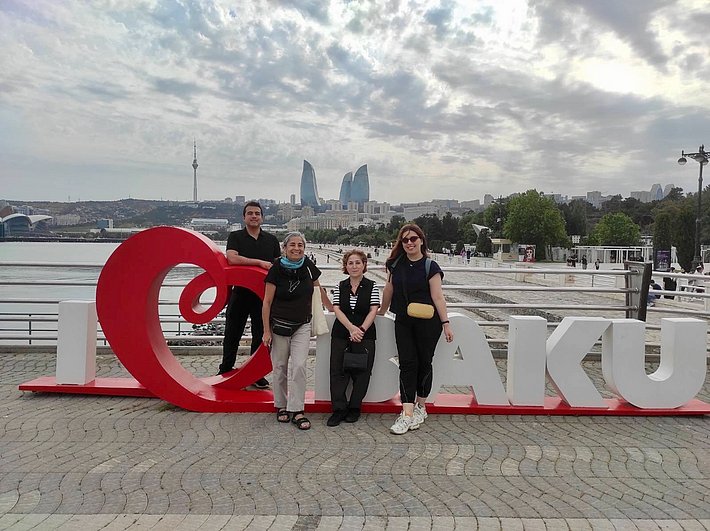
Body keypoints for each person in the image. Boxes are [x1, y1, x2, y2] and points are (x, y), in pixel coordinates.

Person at [378, 224, 454, 435]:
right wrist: (381, 311)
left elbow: (438, 297)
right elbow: (389, 289)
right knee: (407, 363)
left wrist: (445, 322)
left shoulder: (431, 266)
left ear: (421, 240)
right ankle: (407, 412)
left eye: (413, 239)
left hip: (428, 322)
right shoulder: (396, 264)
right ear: (401, 243)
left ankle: (421, 405)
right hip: (403, 320)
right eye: (405, 240)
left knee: (424, 363)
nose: (409, 243)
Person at [262, 232, 326, 431]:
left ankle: (297, 409)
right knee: (280, 367)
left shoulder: (308, 267)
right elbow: (267, 302)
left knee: (299, 366)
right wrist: (266, 331)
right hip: (279, 326)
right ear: (285, 247)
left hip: (302, 325)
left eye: (300, 245)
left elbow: (319, 291)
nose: (297, 248)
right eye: (293, 245)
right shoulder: (276, 269)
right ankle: (281, 405)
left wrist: (334, 309)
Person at [218, 201, 281, 390]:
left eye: (257, 213)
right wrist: (259, 263)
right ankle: (225, 369)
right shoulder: (236, 236)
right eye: (250, 213)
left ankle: (256, 374)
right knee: (232, 333)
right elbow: (232, 258)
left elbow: (277, 265)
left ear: (262, 217)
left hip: (263, 297)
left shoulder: (271, 240)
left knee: (260, 335)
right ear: (244, 217)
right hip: (241, 293)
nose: (254, 216)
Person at [327, 250, 380, 427]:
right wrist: (351, 328)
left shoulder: (372, 286)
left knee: (363, 372)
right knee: (337, 371)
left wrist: (361, 329)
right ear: (345, 266)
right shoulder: (340, 286)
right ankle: (339, 409)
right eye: (351, 263)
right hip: (342, 334)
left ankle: (355, 407)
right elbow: (337, 309)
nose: (354, 266)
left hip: (365, 335)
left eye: (358, 263)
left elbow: (374, 309)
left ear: (364, 265)